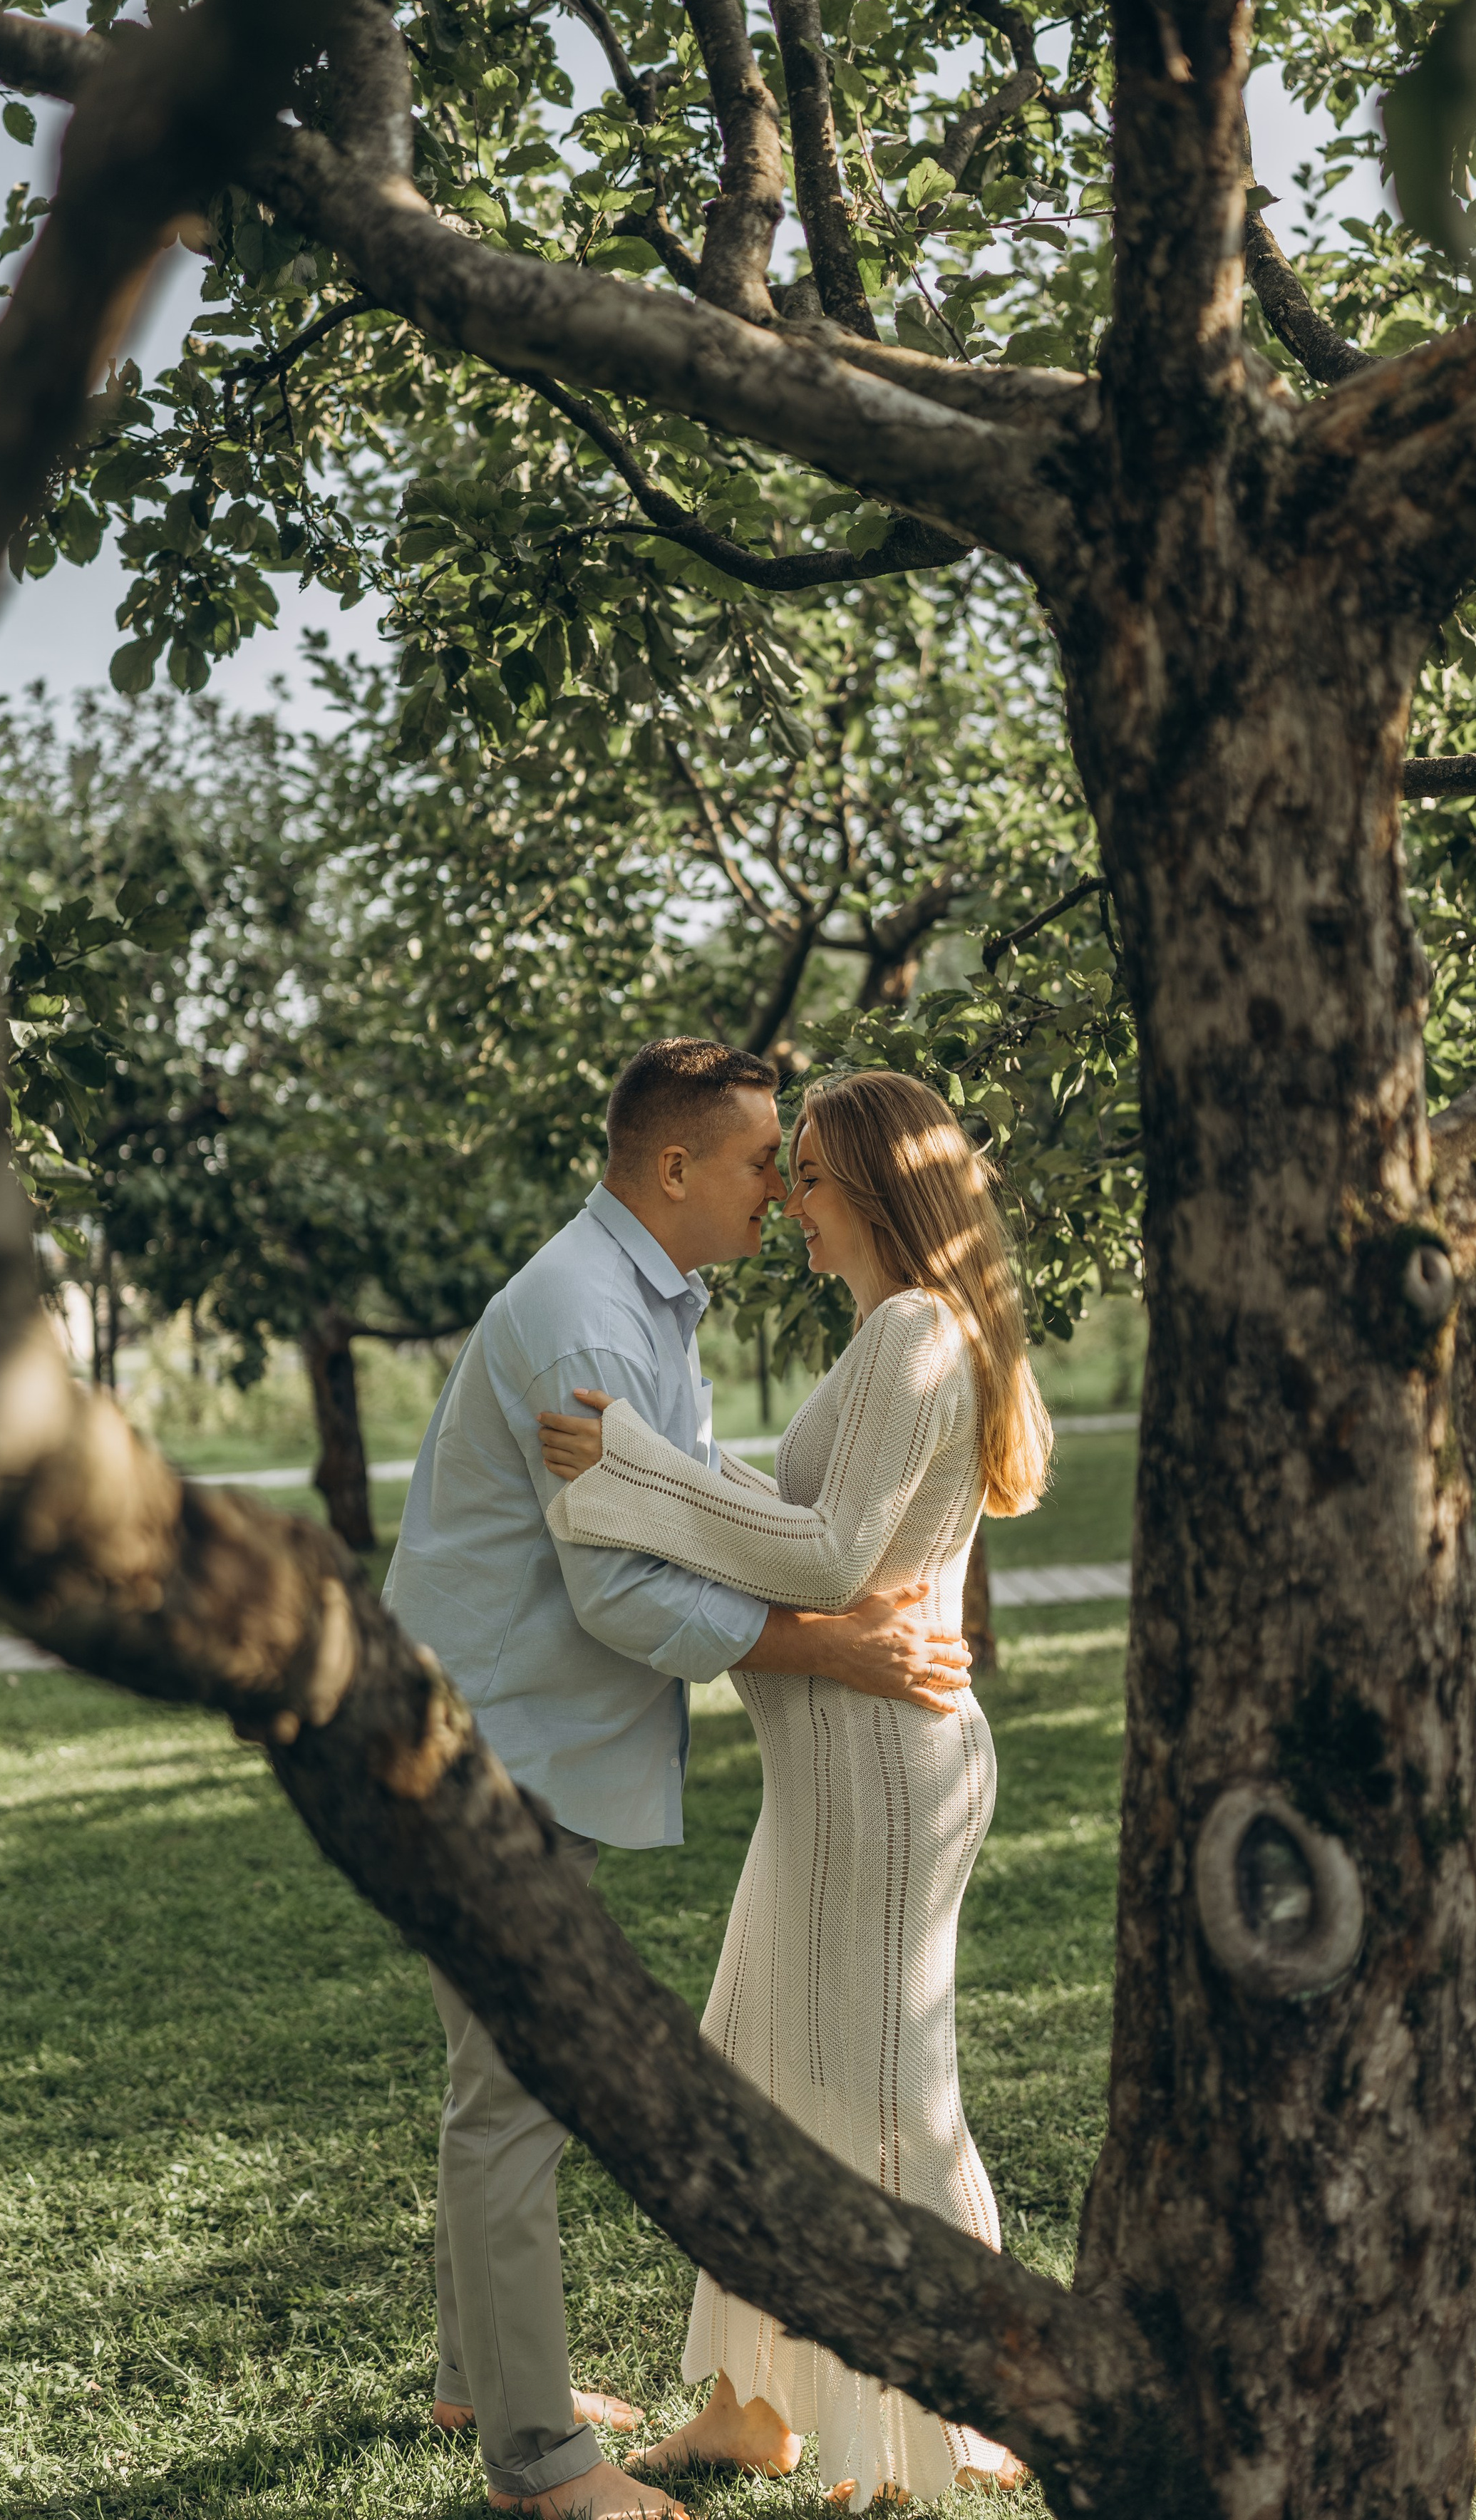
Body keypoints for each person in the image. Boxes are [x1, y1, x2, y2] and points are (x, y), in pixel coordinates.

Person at [383, 1040, 974, 2520]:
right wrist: (825, 1648)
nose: (779, 1190)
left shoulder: (641, 1305)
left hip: (519, 1744)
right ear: (670, 1170)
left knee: (501, 2083)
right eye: (761, 1160)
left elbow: (696, 1499)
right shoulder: (590, 1324)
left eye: (798, 1168)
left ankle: (485, 2376)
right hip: (504, 1753)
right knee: (515, 2095)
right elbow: (621, 1599)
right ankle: (538, 2464)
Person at [538, 1068, 1055, 2512]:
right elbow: (800, 1524)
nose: (787, 1203)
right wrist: (667, 1466)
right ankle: (750, 2406)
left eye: (808, 1176)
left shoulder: (908, 1334)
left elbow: (826, 1562)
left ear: (878, 1190)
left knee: (879, 2102)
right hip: (823, 1784)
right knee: (762, 2076)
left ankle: (946, 2421)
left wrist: (635, 1471)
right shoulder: (885, 1338)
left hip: (880, 1786)